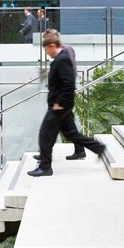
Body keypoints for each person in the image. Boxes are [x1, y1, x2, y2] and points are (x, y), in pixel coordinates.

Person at [27, 35, 105, 177]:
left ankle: (45, 167)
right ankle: (98, 147)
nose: (46, 53)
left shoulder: (62, 59)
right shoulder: (60, 58)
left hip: (60, 106)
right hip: (63, 105)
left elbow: (69, 83)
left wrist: (60, 103)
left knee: (45, 134)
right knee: (71, 133)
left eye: (46, 49)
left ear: (52, 45)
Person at [33, 29, 86, 161]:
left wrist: (63, 97)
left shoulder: (65, 52)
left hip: (64, 95)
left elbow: (69, 72)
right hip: (63, 95)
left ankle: (45, 157)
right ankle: (79, 150)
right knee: (68, 124)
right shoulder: (64, 51)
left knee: (50, 129)